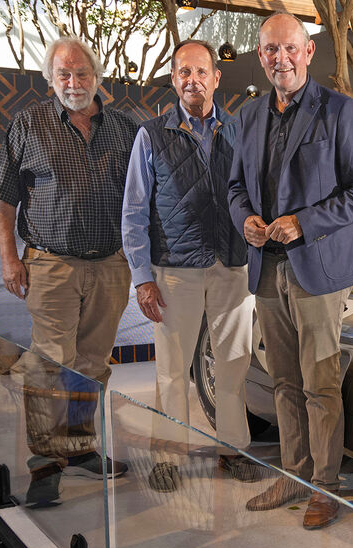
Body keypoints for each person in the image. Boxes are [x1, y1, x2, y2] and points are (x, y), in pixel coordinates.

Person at [228, 12, 353, 529]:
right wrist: (244, 217)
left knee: (320, 381)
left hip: (317, 269)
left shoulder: (340, 111)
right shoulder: (246, 118)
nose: (280, 58)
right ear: (261, 55)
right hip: (266, 268)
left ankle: (327, 485)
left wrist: (304, 222)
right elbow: (234, 188)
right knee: (284, 382)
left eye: (289, 48)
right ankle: (294, 473)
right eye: (270, 49)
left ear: (309, 51)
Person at [0, 36, 135, 507]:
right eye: (64, 75)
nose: (74, 83)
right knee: (50, 362)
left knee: (91, 364)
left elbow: (144, 200)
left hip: (111, 263)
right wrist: (10, 258)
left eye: (82, 74)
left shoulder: (126, 129)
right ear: (50, 79)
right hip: (51, 265)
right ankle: (46, 464)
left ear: (97, 77)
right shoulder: (28, 124)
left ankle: (81, 446)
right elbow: (2, 198)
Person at [121, 39, 256, 491]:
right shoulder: (151, 135)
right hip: (174, 269)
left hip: (231, 266)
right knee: (173, 368)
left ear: (217, 78)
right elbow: (134, 212)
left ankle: (233, 448)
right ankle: (169, 457)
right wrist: (142, 279)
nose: (192, 80)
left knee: (234, 363)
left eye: (201, 72)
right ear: (174, 79)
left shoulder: (241, 132)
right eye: (183, 72)